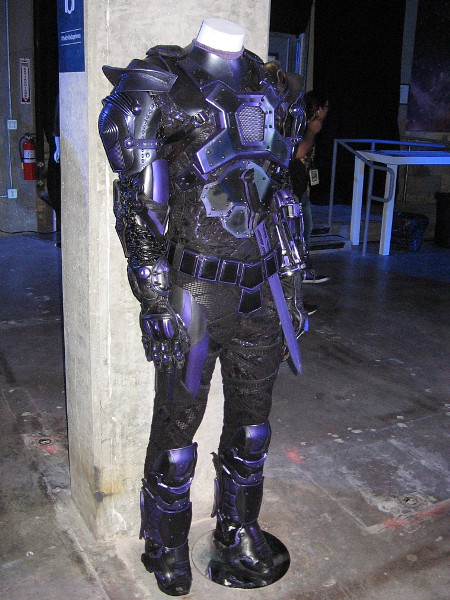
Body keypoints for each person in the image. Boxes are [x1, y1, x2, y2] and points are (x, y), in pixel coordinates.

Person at [99, 18, 307, 596]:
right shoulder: (162, 84)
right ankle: (165, 544)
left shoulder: (272, 90)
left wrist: (292, 285)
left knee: (253, 427)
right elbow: (137, 206)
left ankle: (237, 530)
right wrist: (153, 297)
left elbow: (281, 197)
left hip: (261, 290)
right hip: (194, 293)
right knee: (176, 429)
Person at [289, 90, 330, 287]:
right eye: (326, 107)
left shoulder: (307, 125)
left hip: (299, 185)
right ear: (318, 109)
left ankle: (302, 269)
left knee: (305, 228)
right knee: (300, 229)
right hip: (290, 185)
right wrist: (311, 131)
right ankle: (300, 270)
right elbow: (298, 153)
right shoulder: (300, 124)